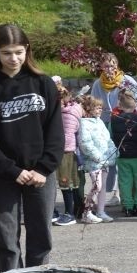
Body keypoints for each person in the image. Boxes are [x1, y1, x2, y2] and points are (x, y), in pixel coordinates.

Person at [0, 24, 64, 272]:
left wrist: (44, 168)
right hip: (3, 175)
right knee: (5, 240)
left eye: (18, 52)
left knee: (41, 236)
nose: (13, 58)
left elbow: (56, 132)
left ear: (26, 50)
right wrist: (10, 169)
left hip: (40, 174)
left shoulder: (43, 83)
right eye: (6, 53)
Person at [89, 52, 137, 207]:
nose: (110, 68)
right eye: (106, 65)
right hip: (108, 124)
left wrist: (132, 114)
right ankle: (114, 192)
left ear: (117, 65)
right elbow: (94, 103)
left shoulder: (126, 80)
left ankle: (126, 195)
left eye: (113, 64)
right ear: (101, 67)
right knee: (111, 159)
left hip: (127, 122)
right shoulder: (97, 84)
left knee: (127, 158)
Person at [77, 95, 117, 224]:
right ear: (89, 108)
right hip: (94, 160)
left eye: (101, 108)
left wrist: (113, 152)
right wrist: (97, 156)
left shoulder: (99, 122)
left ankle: (101, 211)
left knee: (103, 186)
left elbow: (107, 139)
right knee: (97, 185)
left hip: (105, 159)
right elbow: (85, 143)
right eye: (97, 108)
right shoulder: (84, 123)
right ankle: (87, 212)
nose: (100, 110)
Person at [110, 91, 137, 217]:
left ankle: (127, 206)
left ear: (120, 105)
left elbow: (110, 137)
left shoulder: (113, 120)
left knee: (125, 181)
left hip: (122, 156)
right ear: (135, 104)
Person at [53, 76, 83, 226]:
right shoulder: (71, 110)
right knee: (71, 182)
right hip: (67, 150)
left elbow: (61, 134)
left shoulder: (65, 115)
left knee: (65, 183)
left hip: (64, 151)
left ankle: (69, 213)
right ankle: (75, 210)